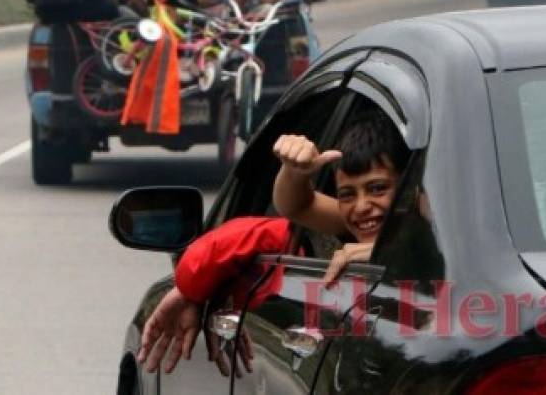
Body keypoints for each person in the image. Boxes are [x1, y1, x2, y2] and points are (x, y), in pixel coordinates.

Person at [138, 109, 408, 374]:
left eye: (378, 189)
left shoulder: (441, 244)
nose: (362, 207)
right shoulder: (355, 221)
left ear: (414, 190)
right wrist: (295, 170)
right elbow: (295, 206)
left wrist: (396, 255)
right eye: (347, 194)